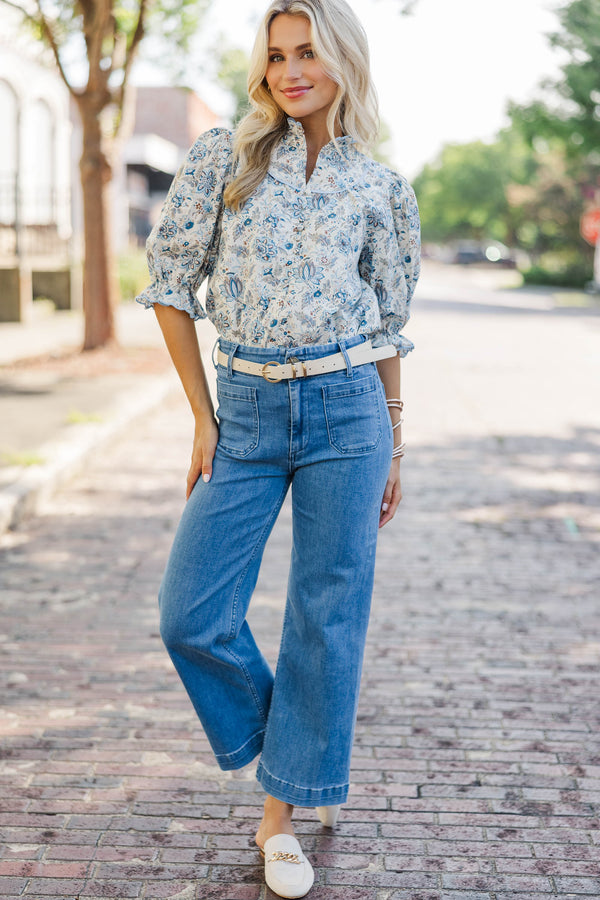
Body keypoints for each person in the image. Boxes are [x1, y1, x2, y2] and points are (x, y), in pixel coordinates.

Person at [136, 0, 420, 895]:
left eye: (308, 53)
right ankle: (306, 757)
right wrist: (201, 415)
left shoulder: (379, 188)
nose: (291, 70)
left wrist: (397, 440)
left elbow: (387, 325)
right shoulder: (224, 158)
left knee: (324, 619)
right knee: (192, 614)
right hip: (248, 410)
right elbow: (172, 287)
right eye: (277, 56)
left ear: (342, 59)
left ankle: (280, 819)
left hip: (348, 412)